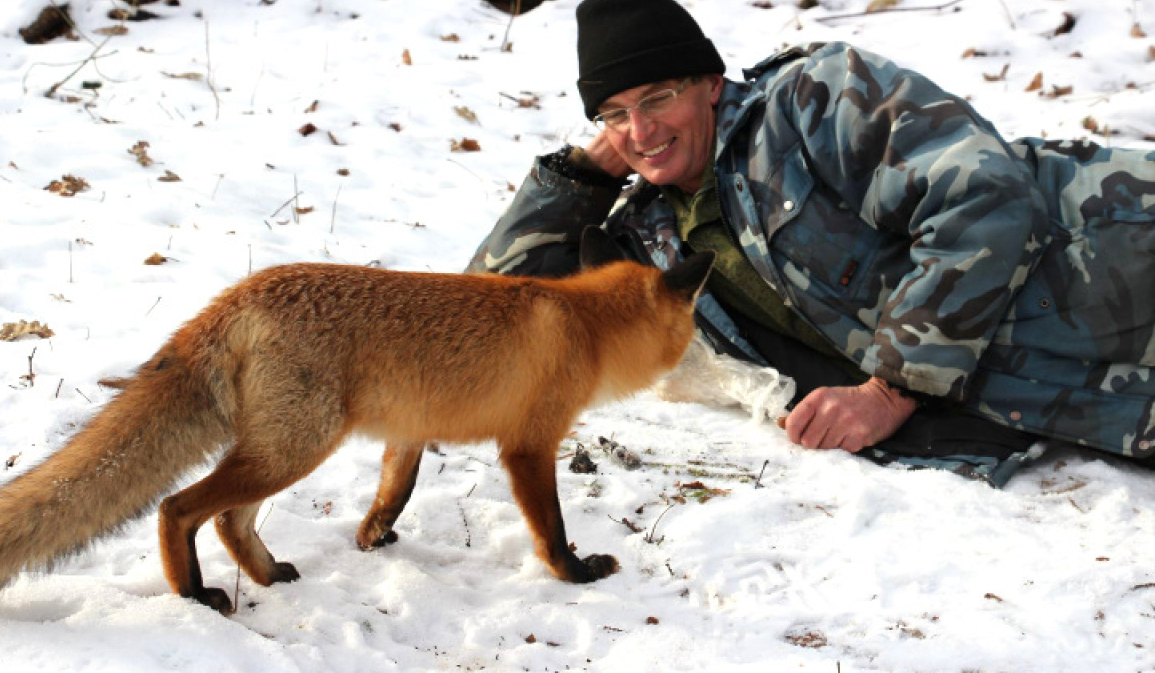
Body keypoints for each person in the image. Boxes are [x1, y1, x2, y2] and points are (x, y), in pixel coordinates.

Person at [468, 0, 1155, 484]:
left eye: (657, 98)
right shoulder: (647, 236)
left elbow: (981, 196)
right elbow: (492, 314)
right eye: (614, 114)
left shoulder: (811, 100)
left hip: (1118, 255)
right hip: (1093, 385)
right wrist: (584, 175)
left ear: (710, 84)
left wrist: (892, 388)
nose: (639, 132)